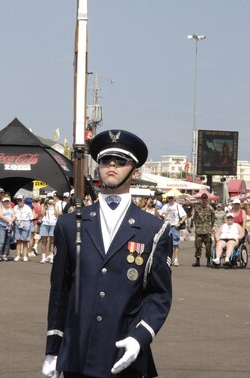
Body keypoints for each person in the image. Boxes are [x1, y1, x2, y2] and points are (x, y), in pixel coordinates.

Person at [42, 129, 173, 378]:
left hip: (124, 353)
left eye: (121, 161)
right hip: (77, 355)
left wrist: (140, 337)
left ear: (134, 172)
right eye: (105, 160)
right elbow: (60, 291)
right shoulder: (69, 225)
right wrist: (53, 349)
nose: (111, 165)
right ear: (97, 167)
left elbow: (159, 295)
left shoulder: (153, 229)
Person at [159, 192, 187, 267]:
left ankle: (176, 259)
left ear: (174, 198)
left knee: (175, 244)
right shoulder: (165, 206)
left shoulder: (178, 206)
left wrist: (179, 223)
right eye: (169, 198)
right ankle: (168, 259)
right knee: (167, 244)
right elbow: (160, 215)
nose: (170, 199)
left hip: (175, 226)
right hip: (167, 227)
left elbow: (184, 216)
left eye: (171, 198)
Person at [192, 193, 215, 267]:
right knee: (198, 246)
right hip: (199, 231)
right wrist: (197, 226)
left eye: (205, 198)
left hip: (207, 231)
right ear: (201, 199)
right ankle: (197, 261)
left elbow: (213, 219)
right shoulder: (197, 208)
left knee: (208, 247)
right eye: (203, 198)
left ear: (207, 199)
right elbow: (195, 218)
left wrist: (210, 228)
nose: (204, 200)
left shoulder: (210, 209)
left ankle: (208, 261)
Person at [0, 195, 15, 261]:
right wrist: (9, 221)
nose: (6, 202)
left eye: (7, 201)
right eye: (5, 201)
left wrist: (11, 220)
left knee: (7, 241)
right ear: (2, 202)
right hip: (1, 225)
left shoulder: (10, 208)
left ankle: (4, 255)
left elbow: (14, 215)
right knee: (1, 241)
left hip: (9, 226)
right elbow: (0, 216)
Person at [13, 194, 33, 262]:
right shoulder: (15, 207)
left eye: (20, 200)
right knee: (18, 241)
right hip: (17, 223)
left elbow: (31, 218)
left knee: (25, 241)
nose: (19, 201)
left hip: (25, 222)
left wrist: (28, 225)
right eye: (18, 200)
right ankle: (18, 255)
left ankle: (25, 256)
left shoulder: (27, 208)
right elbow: (13, 215)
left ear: (23, 200)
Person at [39, 194, 57, 264]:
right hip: (45, 224)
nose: (50, 200)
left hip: (53, 224)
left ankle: (51, 256)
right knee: (44, 241)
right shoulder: (44, 206)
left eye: (51, 198)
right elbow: (42, 214)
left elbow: (57, 214)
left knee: (52, 242)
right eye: (49, 198)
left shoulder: (55, 205)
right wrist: (45, 204)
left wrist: (55, 205)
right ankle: (43, 257)